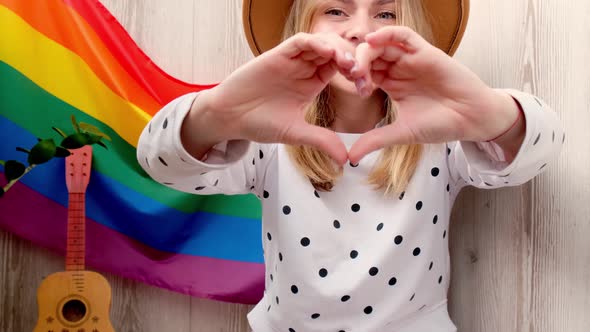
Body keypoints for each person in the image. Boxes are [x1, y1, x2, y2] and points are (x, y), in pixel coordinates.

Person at [136, 0, 564, 330]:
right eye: (335, 9)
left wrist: (492, 116)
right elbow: (161, 163)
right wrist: (215, 114)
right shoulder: (266, 138)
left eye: (387, 12)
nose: (361, 30)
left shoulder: (441, 137)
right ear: (302, 26)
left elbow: (538, 151)